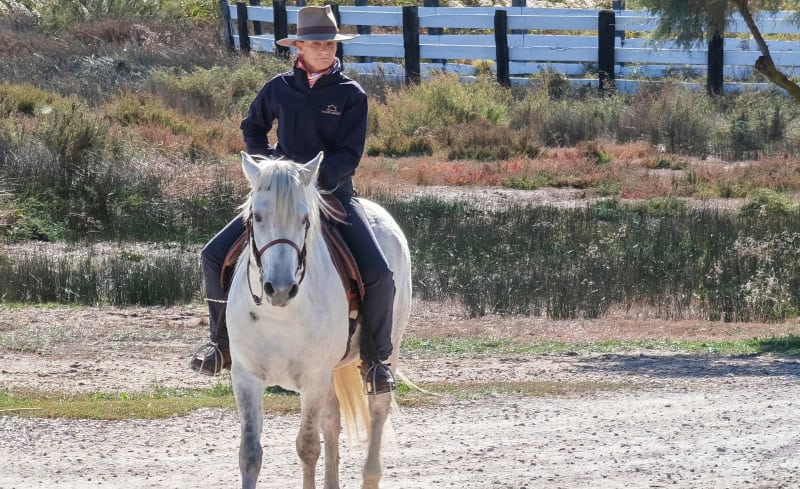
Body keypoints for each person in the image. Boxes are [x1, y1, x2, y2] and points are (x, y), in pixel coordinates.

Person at [190, 5, 396, 395]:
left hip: (333, 194)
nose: (325, 50)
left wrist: (312, 180)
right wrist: (270, 170)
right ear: (298, 47)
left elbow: (349, 154)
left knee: (380, 274)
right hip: (280, 195)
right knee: (212, 255)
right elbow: (252, 126)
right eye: (317, 44)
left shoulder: (351, 95)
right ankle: (219, 344)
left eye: (330, 44)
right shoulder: (278, 88)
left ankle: (375, 361)